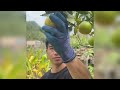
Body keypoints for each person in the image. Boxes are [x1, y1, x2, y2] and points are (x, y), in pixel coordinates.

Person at [41, 12, 91, 79]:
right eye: (52, 48)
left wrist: (68, 55)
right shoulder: (44, 77)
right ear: (46, 51)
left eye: (57, 48)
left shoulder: (73, 73)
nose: (56, 52)